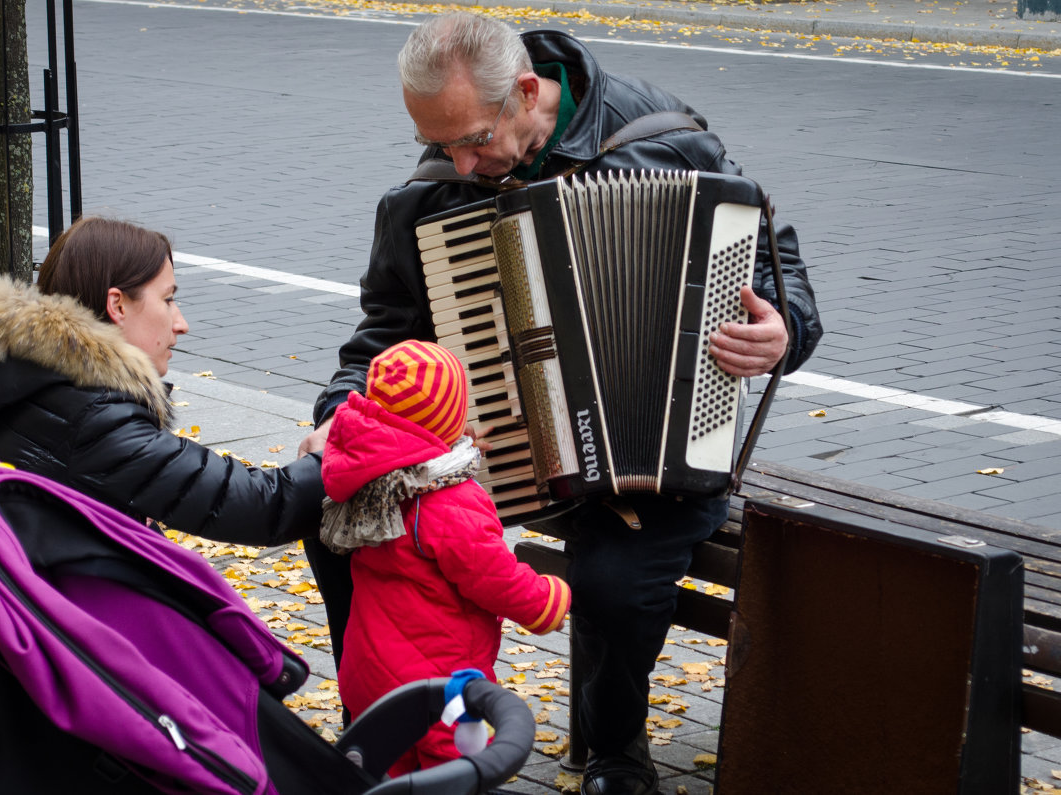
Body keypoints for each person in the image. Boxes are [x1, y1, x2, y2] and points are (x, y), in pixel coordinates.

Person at [299, 12, 822, 795]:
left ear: (527, 91)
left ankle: (615, 751)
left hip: (653, 456)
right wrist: (335, 414)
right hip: (484, 458)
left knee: (614, 582)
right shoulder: (434, 195)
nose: (458, 161)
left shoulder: (663, 136)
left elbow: (780, 269)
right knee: (333, 513)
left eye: (472, 139)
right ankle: (383, 720)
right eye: (439, 143)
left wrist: (783, 333)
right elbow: (380, 333)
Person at [0, 215, 324, 545]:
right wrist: (333, 457)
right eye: (168, 299)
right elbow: (260, 507)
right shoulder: (92, 418)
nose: (181, 324)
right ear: (118, 305)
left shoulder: (4, 370)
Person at [320, 339, 571, 775]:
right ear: (447, 420)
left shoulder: (375, 475)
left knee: (390, 772)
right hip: (436, 683)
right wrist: (547, 600)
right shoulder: (449, 499)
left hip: (368, 672)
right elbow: (493, 577)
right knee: (453, 774)